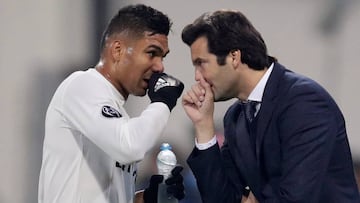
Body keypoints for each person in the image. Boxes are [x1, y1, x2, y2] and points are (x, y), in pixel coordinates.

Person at [181, 9, 360, 203]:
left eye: (201, 63)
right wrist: (204, 126)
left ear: (234, 57)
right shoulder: (236, 116)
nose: (197, 76)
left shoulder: (303, 101)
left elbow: (296, 197)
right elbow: (220, 199)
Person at [38, 4, 185, 203]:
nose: (160, 66)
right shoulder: (82, 86)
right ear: (118, 50)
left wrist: (147, 198)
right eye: (152, 53)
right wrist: (163, 102)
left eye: (162, 57)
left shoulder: (118, 117)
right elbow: (130, 147)